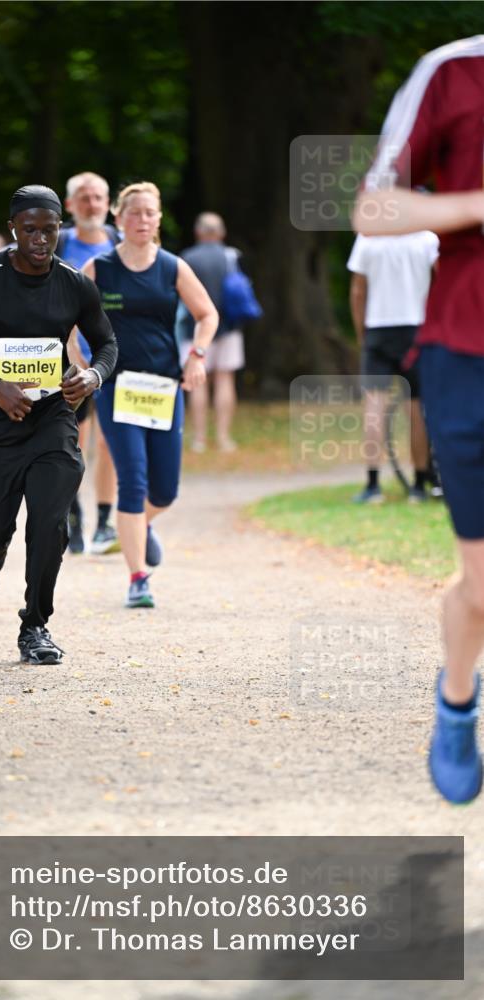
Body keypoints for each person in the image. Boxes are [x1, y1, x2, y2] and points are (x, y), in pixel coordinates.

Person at [353, 35, 484, 804]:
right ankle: (457, 702)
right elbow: (373, 208)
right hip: (466, 350)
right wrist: (473, 205)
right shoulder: (453, 71)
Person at [0, 185, 118, 664]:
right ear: (13, 228)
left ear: (60, 228)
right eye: (30, 229)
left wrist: (93, 376)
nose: (40, 239)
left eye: (49, 230)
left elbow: (106, 343)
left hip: (53, 416)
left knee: (50, 522)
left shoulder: (75, 283)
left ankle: (35, 625)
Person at [82, 181, 218, 609]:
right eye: (134, 212)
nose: (142, 220)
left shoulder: (172, 267)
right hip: (116, 387)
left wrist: (197, 355)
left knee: (164, 491)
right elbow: (67, 322)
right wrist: (82, 367)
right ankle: (138, 578)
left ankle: (137, 527)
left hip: (163, 386)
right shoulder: (99, 269)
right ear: (119, 218)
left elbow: (207, 314)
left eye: (149, 213)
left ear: (159, 219)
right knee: (132, 480)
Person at [347, 230, 439, 503]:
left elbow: (358, 290)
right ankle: (419, 485)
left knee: (374, 407)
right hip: (417, 328)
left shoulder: (368, 238)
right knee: (417, 407)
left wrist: (362, 334)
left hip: (378, 328)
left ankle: (373, 484)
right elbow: (444, 280)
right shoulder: (427, 239)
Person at [59, 172, 120, 555]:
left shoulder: (122, 244)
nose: (91, 204)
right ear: (70, 205)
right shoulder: (57, 243)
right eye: (83, 197)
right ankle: (73, 515)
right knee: (73, 445)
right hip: (69, 362)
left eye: (98, 197)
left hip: (114, 360)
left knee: (110, 442)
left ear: (109, 204)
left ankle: (104, 521)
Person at [178, 212, 247, 453]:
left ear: (198, 232)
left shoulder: (187, 258)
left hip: (194, 329)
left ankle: (199, 439)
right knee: (225, 379)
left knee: (197, 382)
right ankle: (223, 437)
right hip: (228, 327)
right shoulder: (232, 256)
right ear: (221, 233)